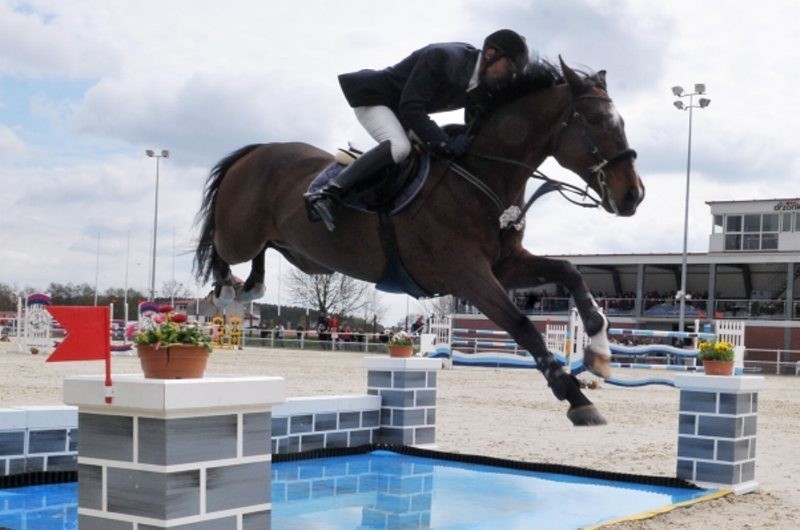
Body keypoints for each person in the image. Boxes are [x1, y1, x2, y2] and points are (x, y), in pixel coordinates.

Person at [305, 29, 529, 231]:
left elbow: (473, 126)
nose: (509, 76)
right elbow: (411, 106)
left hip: (403, 114)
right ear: (491, 54)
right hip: (376, 101)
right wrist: (443, 142)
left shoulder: (480, 83)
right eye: (509, 68)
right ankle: (329, 194)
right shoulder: (443, 57)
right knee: (399, 148)